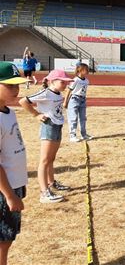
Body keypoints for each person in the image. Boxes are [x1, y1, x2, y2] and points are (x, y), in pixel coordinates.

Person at [19, 70, 73, 203]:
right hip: (48, 127)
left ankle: (51, 183)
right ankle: (44, 192)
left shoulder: (58, 93)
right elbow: (23, 101)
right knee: (44, 160)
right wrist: (36, 114)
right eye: (62, 82)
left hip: (57, 126)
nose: (65, 84)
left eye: (66, 82)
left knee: (51, 159)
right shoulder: (46, 93)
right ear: (52, 81)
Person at [0, 62, 29, 264]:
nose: (16, 90)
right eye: (9, 86)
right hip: (4, 190)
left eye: (17, 85)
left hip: (16, 183)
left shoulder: (9, 111)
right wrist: (9, 195)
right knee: (2, 241)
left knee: (7, 239)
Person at [64, 63, 92, 142]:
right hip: (74, 99)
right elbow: (69, 90)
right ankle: (72, 135)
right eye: (86, 70)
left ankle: (84, 134)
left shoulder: (86, 81)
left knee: (83, 118)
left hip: (82, 100)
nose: (88, 71)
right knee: (73, 118)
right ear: (80, 70)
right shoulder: (75, 80)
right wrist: (65, 101)